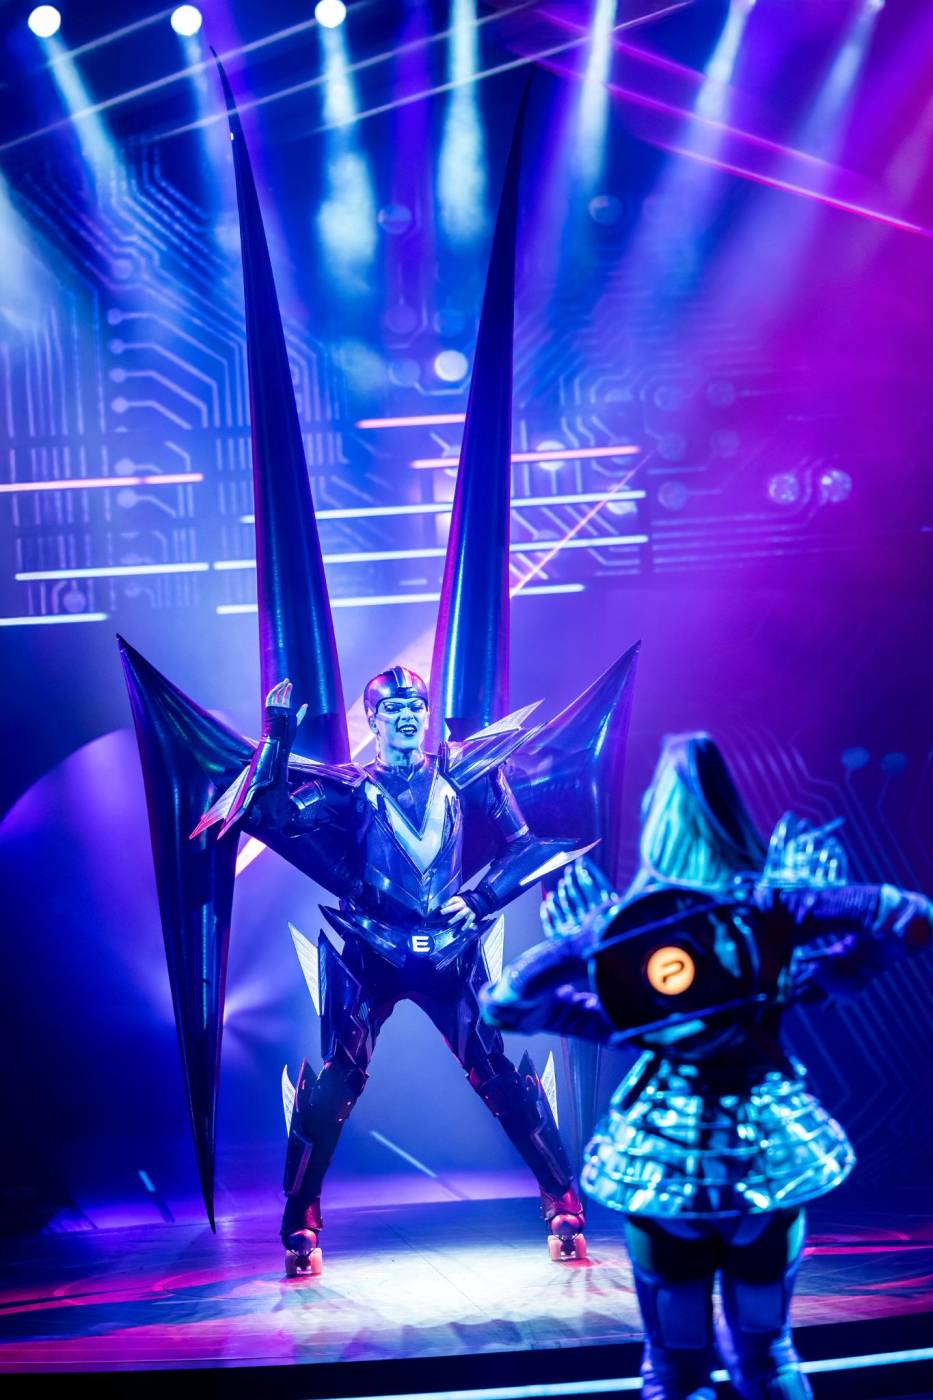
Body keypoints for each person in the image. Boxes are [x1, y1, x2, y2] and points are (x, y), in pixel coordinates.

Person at [481, 732, 931, 1400]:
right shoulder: (766, 911)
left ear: (655, 822)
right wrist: (817, 963)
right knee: (766, 1356)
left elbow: (506, 1002)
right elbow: (909, 919)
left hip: (663, 1158)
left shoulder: (629, 925)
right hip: (763, 1155)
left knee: (674, 1369)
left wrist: (597, 974)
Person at [197, 666, 588, 1276]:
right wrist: (275, 738)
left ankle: (563, 1202)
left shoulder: (466, 772)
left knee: (498, 1077)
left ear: (427, 715)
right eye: (394, 709)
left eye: (416, 707)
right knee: (336, 1083)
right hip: (372, 949)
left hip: (450, 951)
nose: (408, 716)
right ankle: (300, 1219)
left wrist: (481, 899)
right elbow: (274, 818)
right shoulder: (350, 788)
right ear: (373, 720)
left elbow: (525, 845)